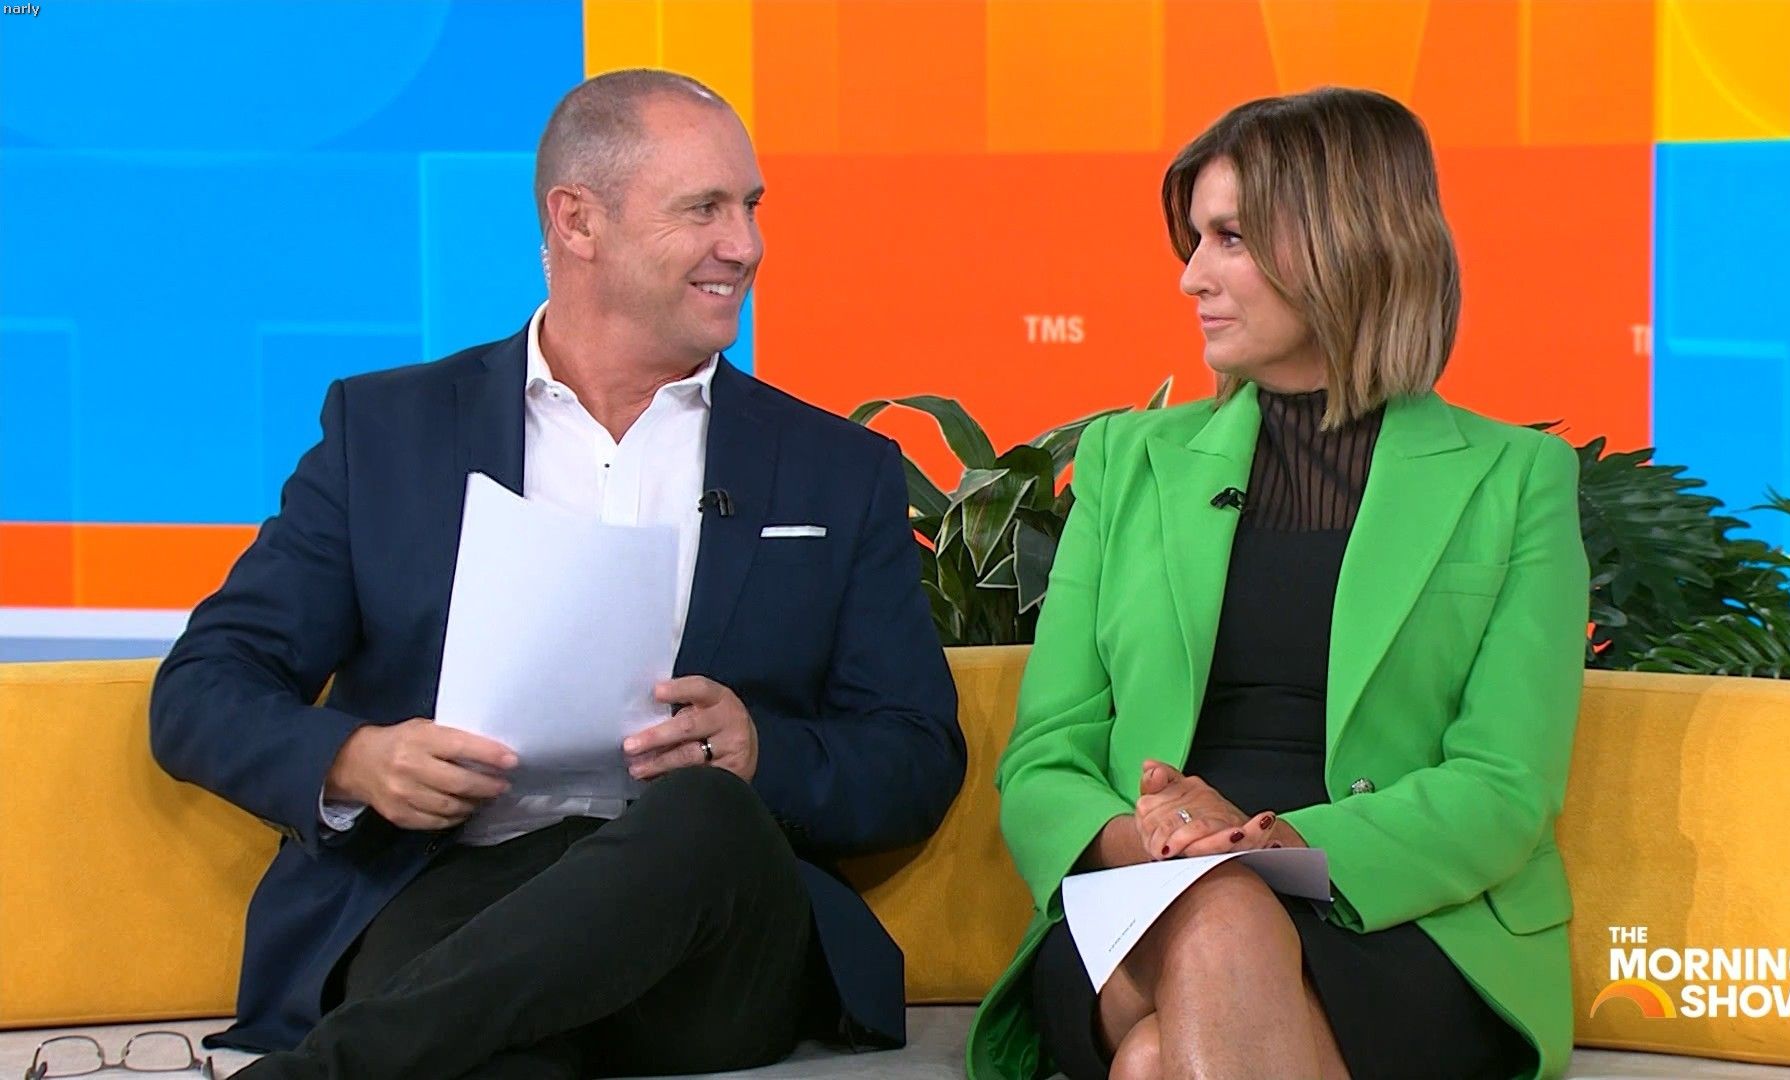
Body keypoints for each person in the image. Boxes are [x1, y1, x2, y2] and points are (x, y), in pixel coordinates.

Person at [149, 68, 964, 1080]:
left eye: (751, 207)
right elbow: (203, 688)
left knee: (702, 820)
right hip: (456, 889)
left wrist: (761, 753)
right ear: (578, 221)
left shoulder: (835, 470)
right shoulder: (388, 433)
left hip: (709, 930)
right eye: (704, 209)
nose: (745, 245)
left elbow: (916, 751)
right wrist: (357, 759)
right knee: (483, 1036)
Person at [966, 88, 1589, 1080]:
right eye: (1195, 240)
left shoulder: (1513, 481)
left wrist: (1273, 845)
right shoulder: (1128, 462)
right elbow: (1046, 757)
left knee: (1159, 1059)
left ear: (1346, 247)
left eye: (1230, 239)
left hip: (1401, 914)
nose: (1191, 276)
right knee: (1215, 907)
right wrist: (1163, 840)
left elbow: (1503, 785)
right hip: (1140, 901)